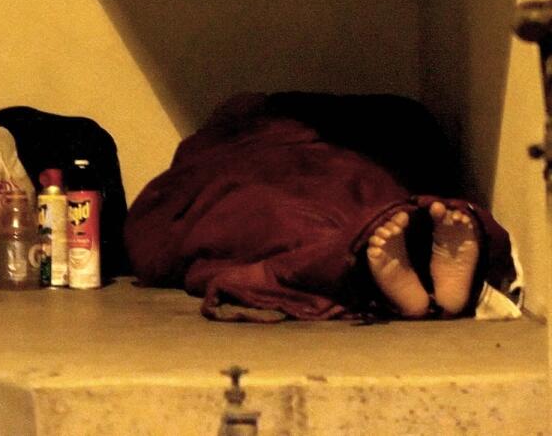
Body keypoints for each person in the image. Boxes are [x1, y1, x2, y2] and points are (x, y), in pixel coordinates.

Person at [124, 92, 520, 322]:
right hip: (321, 171)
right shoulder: (234, 144)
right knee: (346, 204)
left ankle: (361, 260)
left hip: (336, 166)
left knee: (262, 216)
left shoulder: (231, 142)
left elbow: (159, 227)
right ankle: (412, 260)